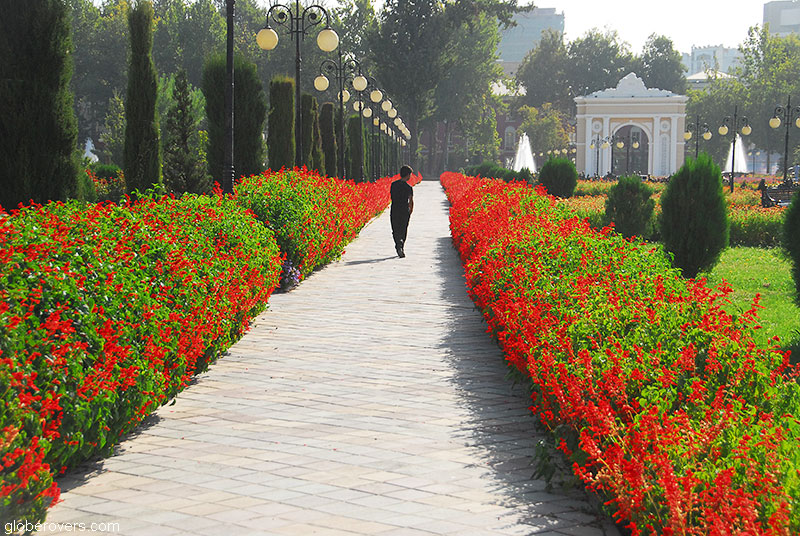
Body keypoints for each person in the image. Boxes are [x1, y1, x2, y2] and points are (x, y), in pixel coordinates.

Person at [390, 165, 414, 258]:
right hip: (404, 210)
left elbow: (392, 197)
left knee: (395, 229)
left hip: (395, 209)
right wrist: (410, 211)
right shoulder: (408, 187)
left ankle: (398, 245)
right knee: (403, 229)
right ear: (407, 175)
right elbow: (411, 201)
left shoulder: (393, 185)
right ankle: (401, 246)